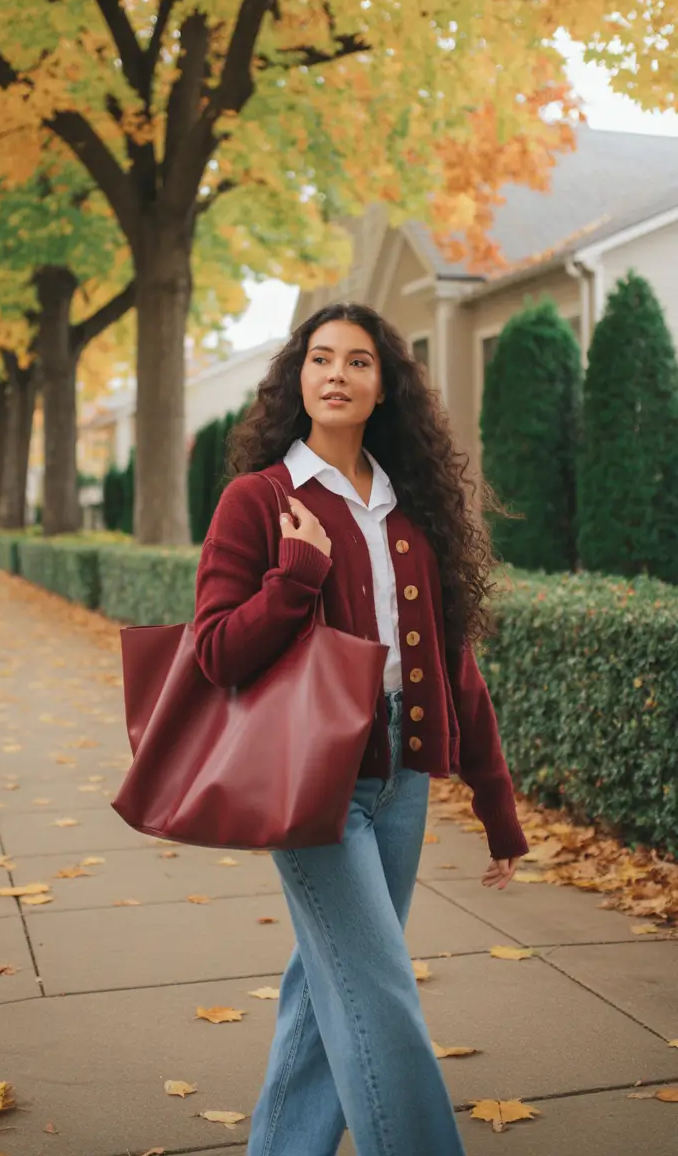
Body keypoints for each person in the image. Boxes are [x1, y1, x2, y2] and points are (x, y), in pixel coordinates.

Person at [192, 302, 529, 1156]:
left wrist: (499, 810)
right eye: (319, 358)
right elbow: (215, 654)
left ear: (386, 388)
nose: (337, 373)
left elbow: (456, 671)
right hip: (311, 781)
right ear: (297, 379)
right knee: (379, 994)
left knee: (329, 987)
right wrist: (295, 578)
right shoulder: (260, 499)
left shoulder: (409, 511)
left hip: (401, 780)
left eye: (359, 362)